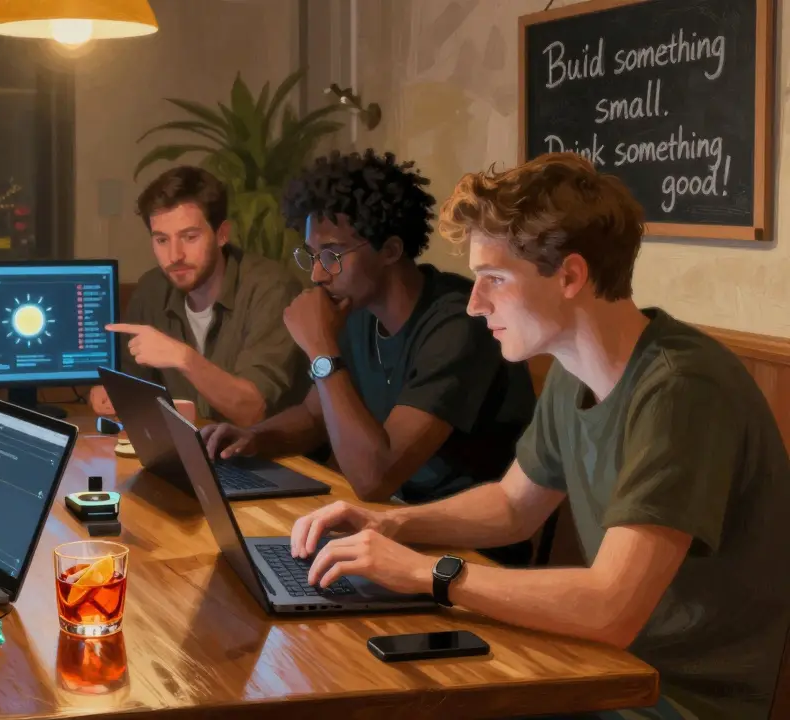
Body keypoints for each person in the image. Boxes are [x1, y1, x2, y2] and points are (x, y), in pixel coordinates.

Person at [289, 152, 790, 719]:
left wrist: (425, 573)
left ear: (570, 276)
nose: (475, 305)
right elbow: (512, 506)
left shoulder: (680, 388)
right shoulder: (573, 367)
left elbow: (610, 607)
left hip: (668, 696)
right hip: (594, 666)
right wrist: (390, 523)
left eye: (494, 280)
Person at [201, 150, 536, 565]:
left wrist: (321, 349)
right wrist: (254, 438)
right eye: (311, 255)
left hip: (468, 552)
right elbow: (312, 416)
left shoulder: (459, 324)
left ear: (391, 249)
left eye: (332, 254)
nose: (317, 275)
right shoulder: (359, 310)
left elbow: (374, 478)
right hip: (392, 527)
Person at [90, 165, 307, 426]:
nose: (174, 255)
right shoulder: (152, 289)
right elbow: (132, 383)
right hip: (190, 449)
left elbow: (251, 410)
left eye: (190, 237)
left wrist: (184, 358)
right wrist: (110, 394)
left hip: (269, 456)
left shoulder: (271, 289)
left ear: (222, 234)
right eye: (161, 240)